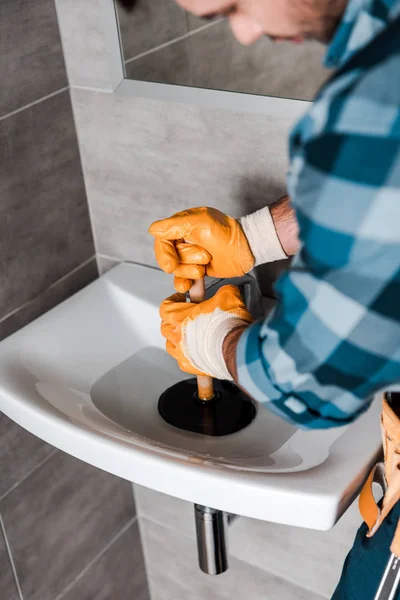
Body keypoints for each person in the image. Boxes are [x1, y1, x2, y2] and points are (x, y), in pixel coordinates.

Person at [121, 0, 400, 597]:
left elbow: (306, 383)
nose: (245, 35)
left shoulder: (374, 94)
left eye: (233, 6)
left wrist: (210, 340)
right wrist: (253, 239)